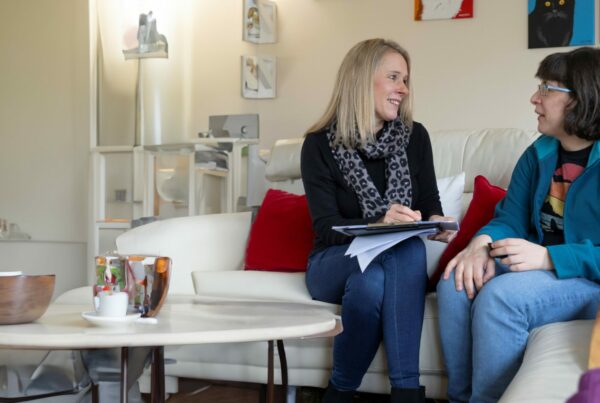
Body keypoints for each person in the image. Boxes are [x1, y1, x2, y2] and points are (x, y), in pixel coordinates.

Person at [437, 46, 600, 403]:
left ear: (580, 98)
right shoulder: (539, 152)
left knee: (501, 298)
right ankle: (459, 398)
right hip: (544, 272)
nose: (534, 98)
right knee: (456, 278)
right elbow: (509, 217)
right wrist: (479, 244)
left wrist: (550, 259)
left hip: (589, 281)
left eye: (546, 89)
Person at [300, 38, 455, 403]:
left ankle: (339, 392)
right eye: (394, 77)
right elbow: (325, 227)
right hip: (332, 262)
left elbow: (428, 201)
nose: (403, 89)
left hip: (373, 268)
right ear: (361, 79)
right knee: (404, 249)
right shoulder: (319, 144)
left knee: (371, 283)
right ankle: (406, 392)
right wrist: (379, 223)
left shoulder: (416, 137)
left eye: (406, 80)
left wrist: (436, 222)